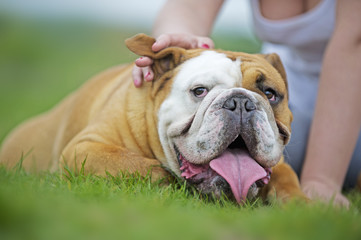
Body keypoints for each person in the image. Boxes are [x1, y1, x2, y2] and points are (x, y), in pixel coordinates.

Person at [132, 0, 361, 207]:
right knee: (291, 154)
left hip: (349, 106)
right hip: (283, 97)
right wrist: (176, 46)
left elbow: (355, 39)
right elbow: (190, 6)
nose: (238, 109)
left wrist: (322, 180)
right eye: (200, 91)